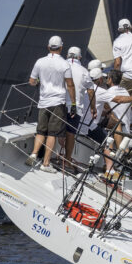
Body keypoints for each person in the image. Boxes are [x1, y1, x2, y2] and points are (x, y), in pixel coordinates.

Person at [27, 35, 76, 172]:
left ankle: (34, 154)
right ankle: (46, 164)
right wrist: (73, 105)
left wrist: (39, 83)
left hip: (43, 101)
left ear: (48, 47)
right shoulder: (65, 64)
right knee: (52, 134)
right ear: (61, 47)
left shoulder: (40, 62)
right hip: (58, 102)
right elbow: (70, 85)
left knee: (41, 131)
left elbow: (32, 81)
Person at [95, 70, 132, 178]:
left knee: (110, 126)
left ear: (110, 80)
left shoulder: (109, 92)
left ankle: (112, 163)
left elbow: (104, 107)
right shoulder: (126, 92)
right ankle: (120, 160)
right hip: (126, 129)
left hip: (114, 128)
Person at [63, 47, 96, 169]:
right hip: (75, 107)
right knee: (70, 133)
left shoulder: (61, 65)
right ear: (80, 57)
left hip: (58, 103)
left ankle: (47, 156)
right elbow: (91, 91)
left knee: (53, 129)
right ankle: (66, 160)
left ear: (67, 55)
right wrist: (93, 108)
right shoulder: (84, 71)